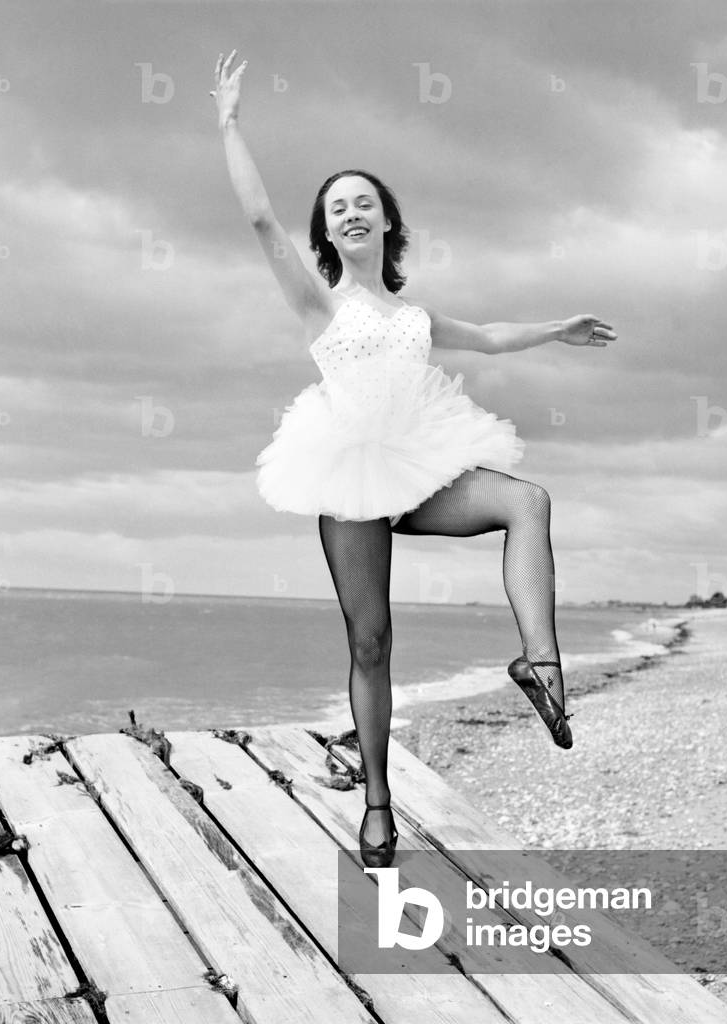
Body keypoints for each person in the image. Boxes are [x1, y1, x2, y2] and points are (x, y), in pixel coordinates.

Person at [211, 51, 616, 867]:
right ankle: (378, 804)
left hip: (422, 467)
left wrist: (557, 330)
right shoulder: (318, 301)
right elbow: (259, 219)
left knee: (525, 501)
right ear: (326, 232)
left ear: (388, 223)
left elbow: (493, 336)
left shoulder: (417, 316)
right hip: (350, 474)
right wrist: (227, 123)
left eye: (365, 203)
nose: (352, 213)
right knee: (372, 642)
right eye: (337, 208)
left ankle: (540, 665)